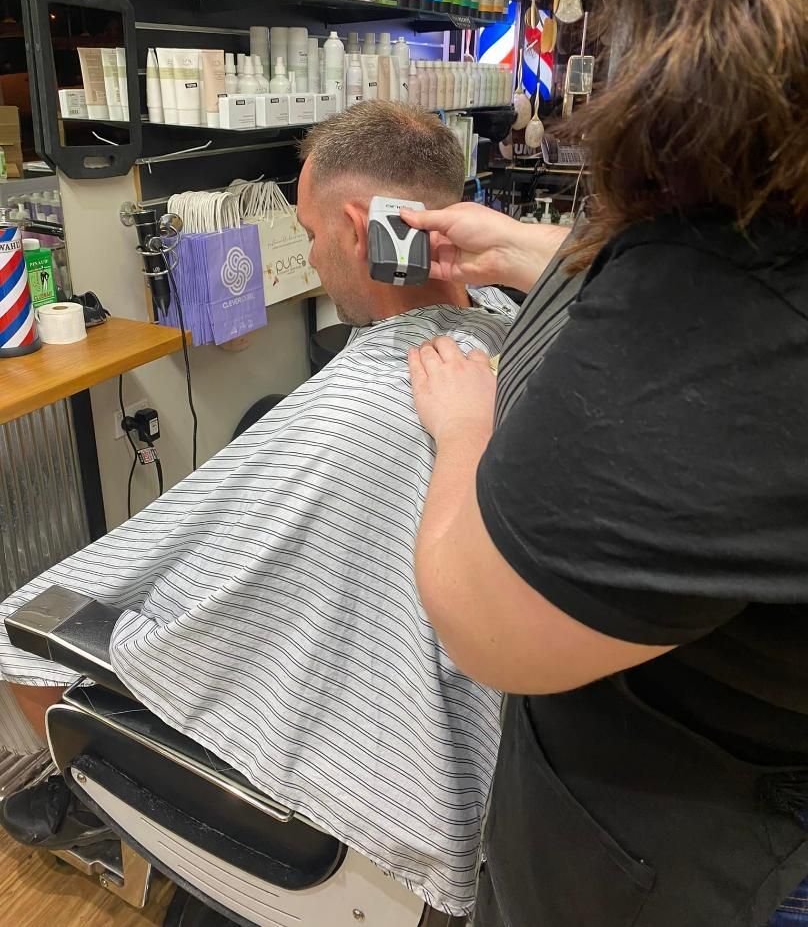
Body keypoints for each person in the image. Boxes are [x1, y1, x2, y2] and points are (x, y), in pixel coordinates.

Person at [401, 0, 808, 925]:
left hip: (693, 853)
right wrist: (530, 251)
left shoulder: (754, 289)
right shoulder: (747, 226)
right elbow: (662, 313)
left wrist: (463, 431)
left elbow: (483, 623)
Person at [0, 103, 519, 918]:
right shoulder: (511, 329)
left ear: (357, 226)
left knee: (21, 635)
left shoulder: (355, 416)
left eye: (310, 231)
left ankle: (109, 820)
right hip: (491, 791)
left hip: (361, 826)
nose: (311, 256)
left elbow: (77, 619)